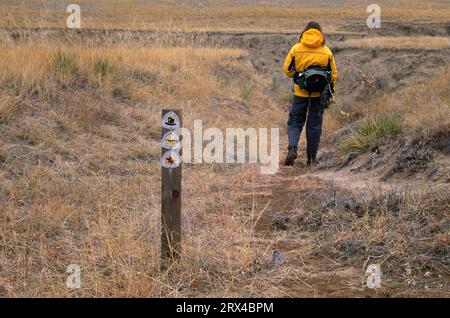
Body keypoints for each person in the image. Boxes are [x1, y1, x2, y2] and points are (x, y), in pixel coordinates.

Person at [283, 21, 337, 166]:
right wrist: (331, 92)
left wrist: (298, 77)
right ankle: (311, 159)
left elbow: (287, 69)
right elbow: (333, 75)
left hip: (300, 93)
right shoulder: (326, 51)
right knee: (314, 125)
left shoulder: (296, 48)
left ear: (304, 32)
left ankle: (293, 148)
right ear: (321, 34)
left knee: (295, 122)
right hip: (319, 95)